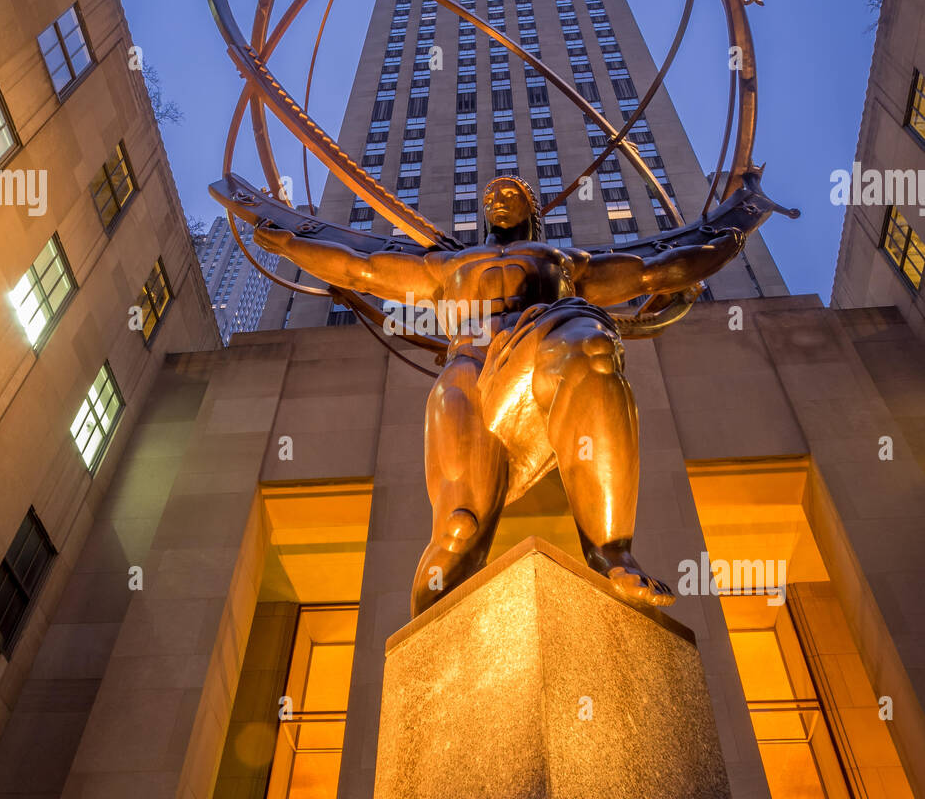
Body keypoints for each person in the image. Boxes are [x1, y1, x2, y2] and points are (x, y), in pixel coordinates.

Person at [255, 175, 745, 615]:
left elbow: (650, 271)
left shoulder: (565, 261)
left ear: (532, 208)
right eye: (490, 196)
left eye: (510, 193)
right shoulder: (446, 265)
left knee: (590, 345)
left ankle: (611, 553)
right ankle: (430, 641)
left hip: (542, 344)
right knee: (459, 530)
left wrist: (727, 243)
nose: (497, 200)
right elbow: (359, 270)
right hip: (470, 367)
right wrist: (290, 246)